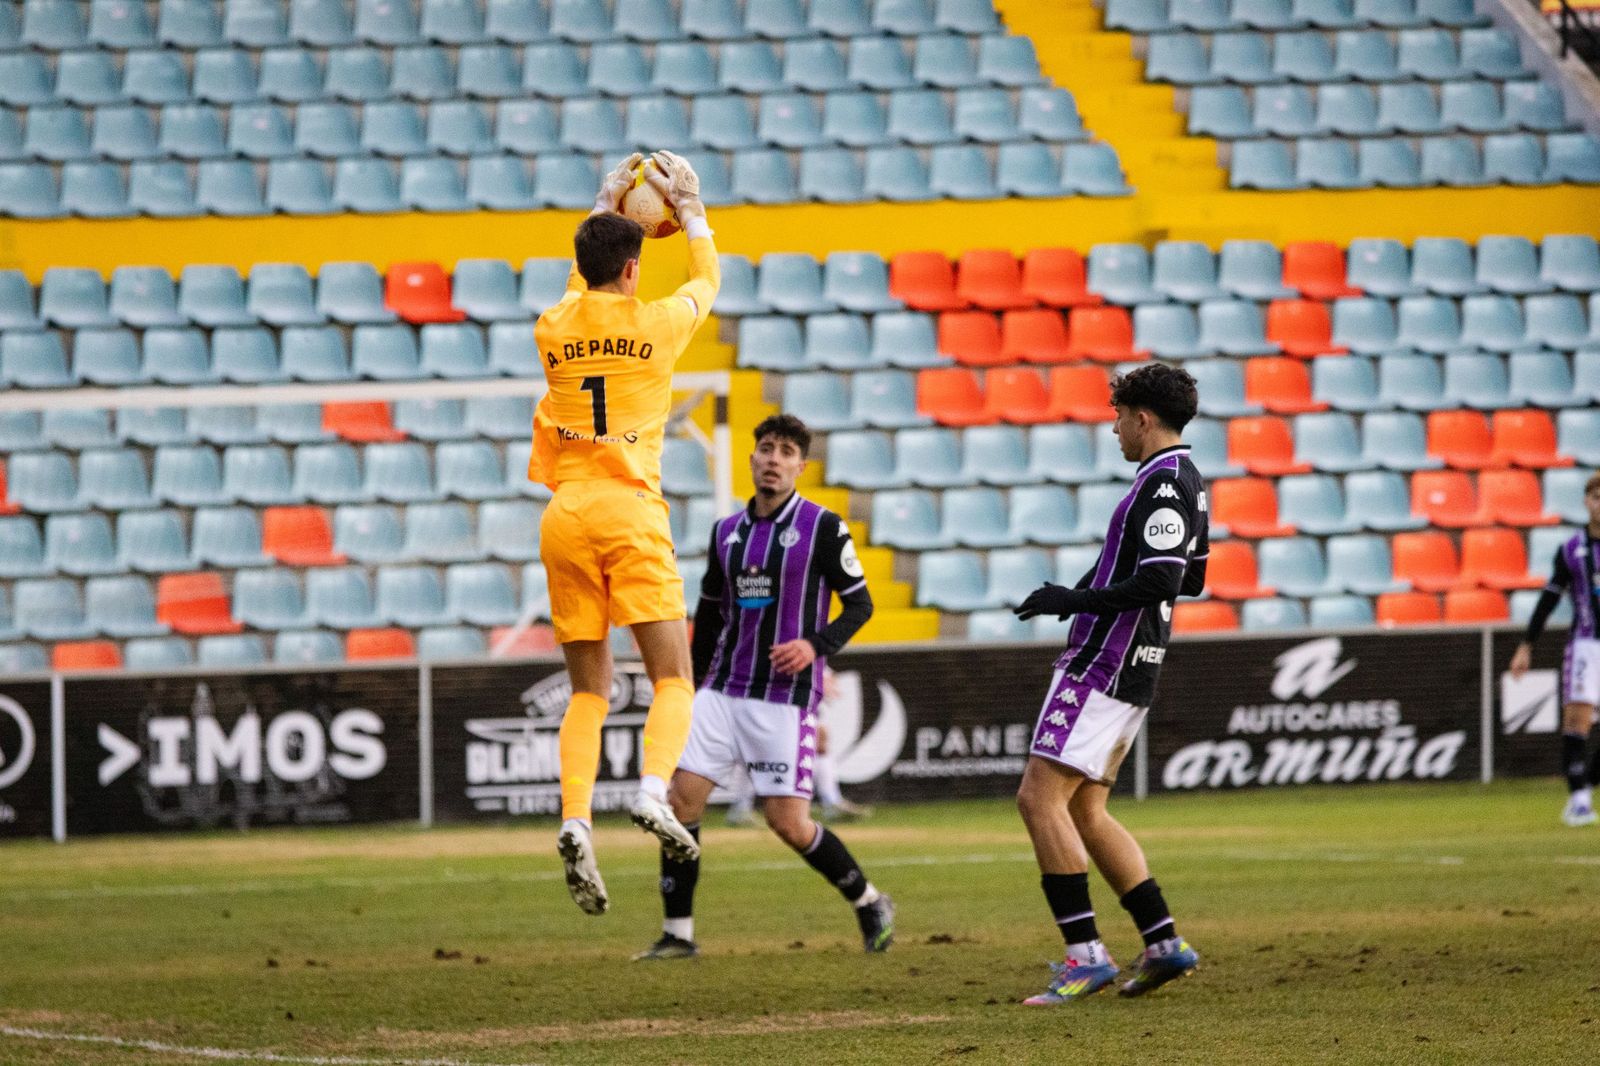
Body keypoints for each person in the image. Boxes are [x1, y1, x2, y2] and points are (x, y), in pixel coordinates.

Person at [531, 151, 720, 916]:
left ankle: (575, 816)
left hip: (565, 512)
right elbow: (707, 282)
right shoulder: (658, 325)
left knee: (589, 689)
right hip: (630, 508)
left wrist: (599, 207)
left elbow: (579, 294)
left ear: (581, 262)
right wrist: (695, 213)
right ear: (636, 268)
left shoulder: (553, 326)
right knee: (674, 678)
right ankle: (649, 790)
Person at [635, 414, 894, 960]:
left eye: (786, 452)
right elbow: (708, 615)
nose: (774, 459)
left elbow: (862, 605)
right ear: (752, 458)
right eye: (767, 449)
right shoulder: (726, 533)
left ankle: (870, 900)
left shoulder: (824, 527)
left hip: (783, 698)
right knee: (681, 802)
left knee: (789, 824)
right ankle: (678, 933)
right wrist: (687, 683)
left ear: (801, 465)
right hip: (722, 690)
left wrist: (816, 645)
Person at [1010, 362, 1208, 1004]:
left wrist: (1078, 598)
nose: (1115, 427)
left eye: (1119, 416)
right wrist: (1090, 591)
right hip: (1138, 664)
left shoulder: (1159, 484)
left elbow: (1163, 580)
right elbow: (1192, 577)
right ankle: (1162, 942)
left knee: (1039, 800)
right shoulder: (1189, 481)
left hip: (1106, 661)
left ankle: (1085, 955)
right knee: (1086, 809)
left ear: (1143, 419)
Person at [1509, 472, 1600, 828]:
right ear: (1586, 502)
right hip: (1585, 646)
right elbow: (1549, 600)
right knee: (1577, 721)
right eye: (1595, 497)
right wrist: (1526, 645)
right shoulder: (1571, 550)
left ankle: (1584, 786)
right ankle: (1578, 799)